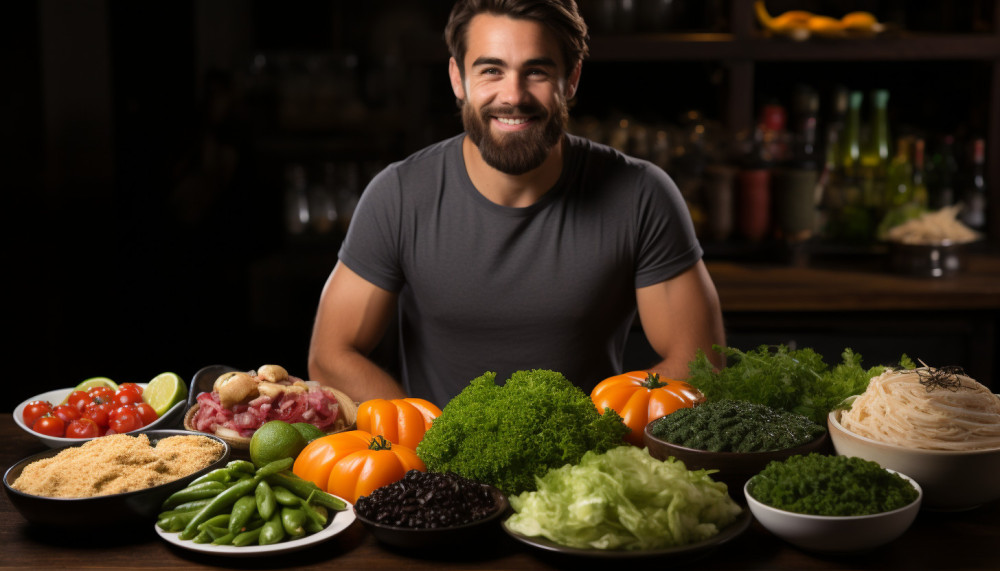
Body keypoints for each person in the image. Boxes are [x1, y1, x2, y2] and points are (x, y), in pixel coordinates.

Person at [308, 0, 725, 407]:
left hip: (590, 451)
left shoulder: (641, 195)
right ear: (458, 79)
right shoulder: (399, 195)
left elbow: (701, 364)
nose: (514, 95)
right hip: (433, 453)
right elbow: (330, 355)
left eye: (537, 71)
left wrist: (601, 435)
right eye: (491, 70)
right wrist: (420, 433)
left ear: (572, 79)